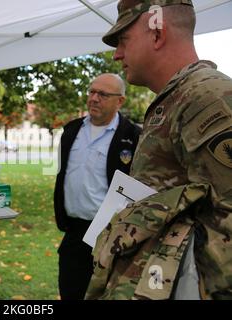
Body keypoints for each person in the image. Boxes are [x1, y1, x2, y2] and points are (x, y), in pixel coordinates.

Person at [86, 0, 232, 300]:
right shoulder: (176, 99)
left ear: (157, 33)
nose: (117, 54)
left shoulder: (207, 98)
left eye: (123, 40)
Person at [54, 73, 142, 299]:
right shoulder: (71, 130)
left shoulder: (134, 136)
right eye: (91, 92)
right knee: (71, 291)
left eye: (102, 94)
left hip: (111, 236)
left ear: (120, 101)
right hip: (74, 233)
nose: (93, 98)